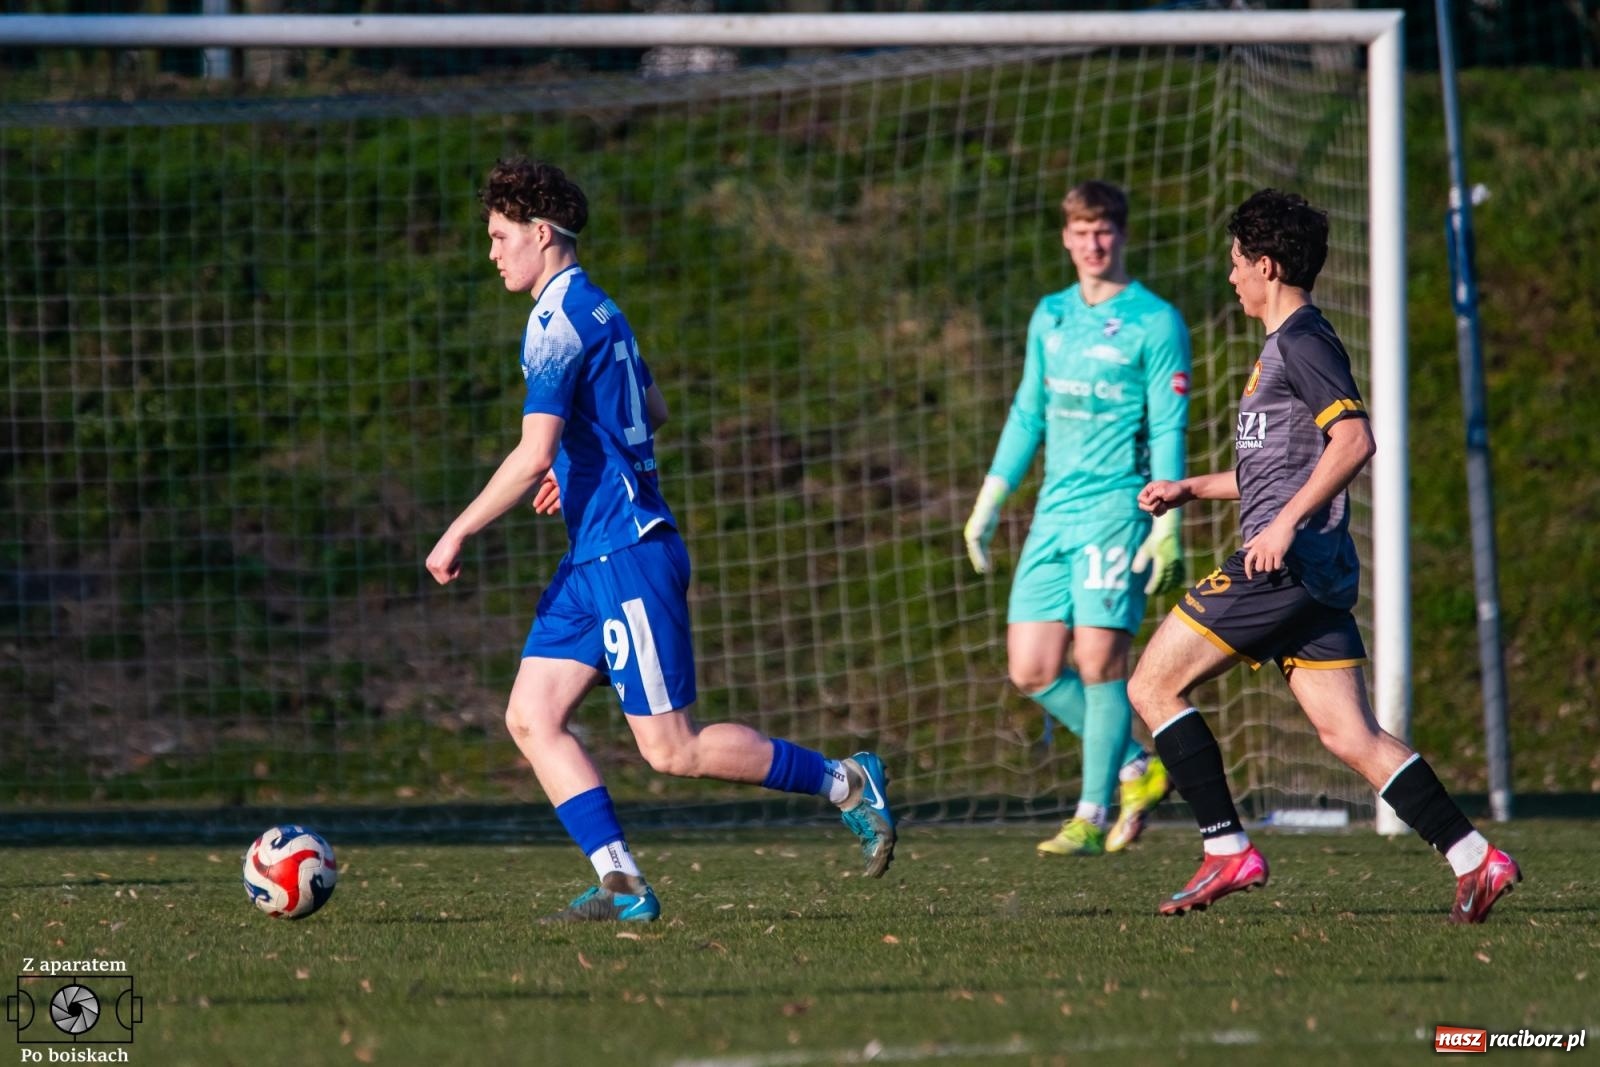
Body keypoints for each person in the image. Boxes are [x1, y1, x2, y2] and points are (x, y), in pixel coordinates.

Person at [426, 158, 895, 922]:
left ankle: (846, 781)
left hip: (627, 551)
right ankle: (620, 881)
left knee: (672, 748)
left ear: (540, 233)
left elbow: (533, 452)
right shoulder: (603, 308)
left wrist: (458, 529)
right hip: (595, 553)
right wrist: (582, 463)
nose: (492, 252)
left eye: (500, 236)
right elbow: (654, 407)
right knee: (531, 714)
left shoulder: (554, 322)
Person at [1129, 188, 1521, 923]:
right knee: (1350, 733)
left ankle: (1226, 848)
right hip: (1314, 570)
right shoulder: (1286, 345)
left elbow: (1354, 440)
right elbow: (1275, 466)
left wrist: (1282, 526)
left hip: (1281, 566)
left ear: (1267, 266)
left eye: (1237, 262)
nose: (1231, 276)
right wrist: (1191, 487)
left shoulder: (1302, 342)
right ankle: (1476, 857)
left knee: (1151, 686)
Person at [963, 180, 1191, 858]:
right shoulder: (1051, 315)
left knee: (1097, 659)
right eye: (1082, 231)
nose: (1094, 244)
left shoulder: (1156, 321)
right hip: (1053, 513)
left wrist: (1167, 522)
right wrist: (990, 498)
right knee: (1031, 668)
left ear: (1122, 235)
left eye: (1104, 230)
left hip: (1117, 508)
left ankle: (1090, 816)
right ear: (1065, 237)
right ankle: (1136, 764)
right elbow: (1028, 411)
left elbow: (1168, 424)